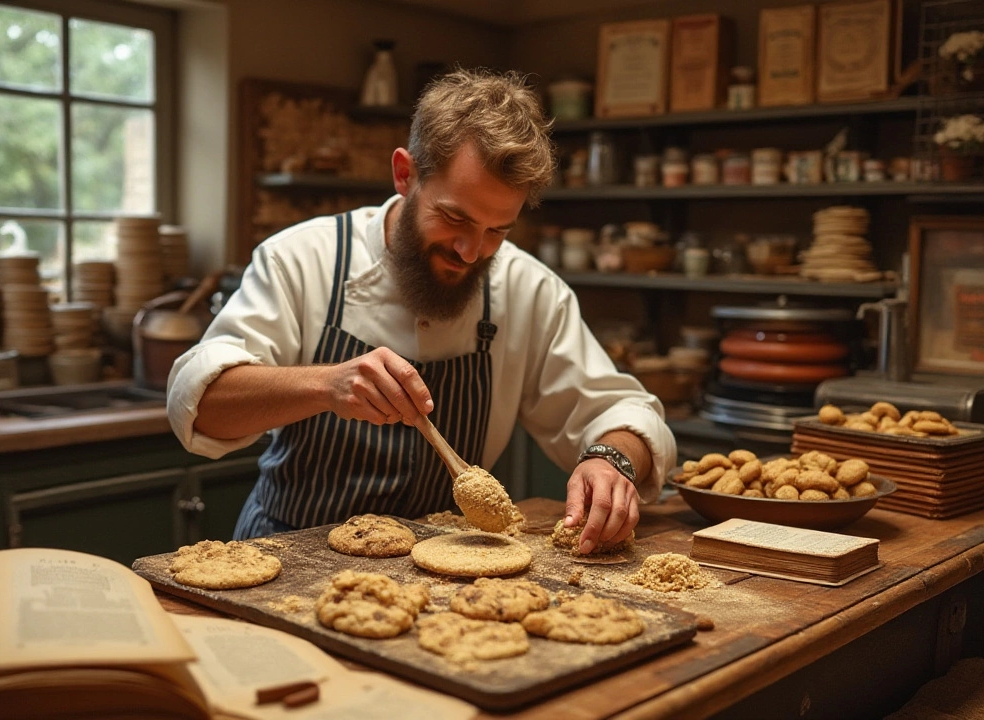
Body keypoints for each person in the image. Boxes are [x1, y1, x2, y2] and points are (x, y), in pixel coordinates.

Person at [168, 68, 675, 554]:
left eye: (498, 230)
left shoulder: (528, 289)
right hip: (286, 550)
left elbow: (618, 412)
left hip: (447, 568)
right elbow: (202, 400)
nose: (472, 251)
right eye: (454, 217)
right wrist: (327, 385)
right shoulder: (301, 259)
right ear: (405, 174)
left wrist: (611, 462)